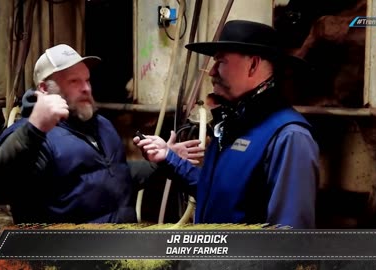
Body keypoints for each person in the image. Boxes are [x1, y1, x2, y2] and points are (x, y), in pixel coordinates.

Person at [0, 44, 203, 224]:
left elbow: (110, 175)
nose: (86, 88)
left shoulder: (101, 125)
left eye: (86, 80)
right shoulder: (30, 136)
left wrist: (162, 161)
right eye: (74, 81)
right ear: (45, 89)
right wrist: (34, 128)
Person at [134, 20, 320, 228]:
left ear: (253, 65)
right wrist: (168, 158)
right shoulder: (233, 122)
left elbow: (290, 236)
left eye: (220, 62)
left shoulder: (290, 137)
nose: (212, 72)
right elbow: (217, 191)